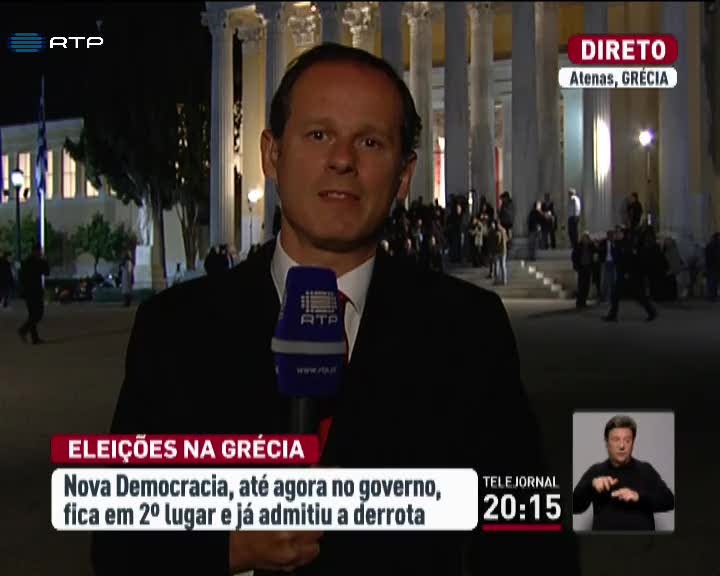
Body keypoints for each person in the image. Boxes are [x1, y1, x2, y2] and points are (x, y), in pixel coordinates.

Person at [91, 42, 578, 576]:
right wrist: (228, 548)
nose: (343, 160)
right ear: (272, 155)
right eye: (319, 134)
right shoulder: (176, 329)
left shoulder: (467, 329)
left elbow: (529, 538)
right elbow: (119, 547)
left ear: (404, 174)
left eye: (370, 141)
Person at [572, 415, 675, 531]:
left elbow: (670, 501)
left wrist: (638, 497)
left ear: (633, 442)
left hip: (642, 542)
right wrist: (591, 486)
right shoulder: (596, 471)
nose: (622, 446)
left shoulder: (646, 470)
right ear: (607, 442)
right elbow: (574, 507)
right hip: (604, 542)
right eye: (616, 440)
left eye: (627, 440)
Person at [17, 243, 50, 344]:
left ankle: (34, 338)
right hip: (35, 291)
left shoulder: (26, 262)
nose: (41, 253)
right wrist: (45, 261)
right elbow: (47, 272)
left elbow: (21, 277)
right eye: (40, 251)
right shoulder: (37, 262)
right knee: (38, 314)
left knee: (32, 314)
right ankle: (23, 330)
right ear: (36, 251)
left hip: (28, 291)